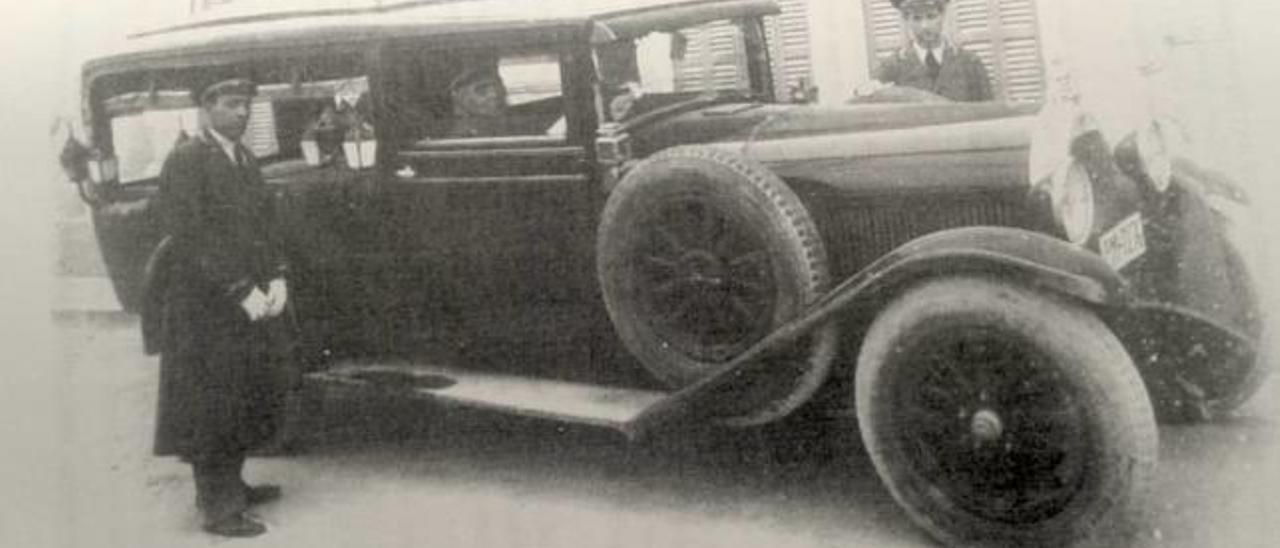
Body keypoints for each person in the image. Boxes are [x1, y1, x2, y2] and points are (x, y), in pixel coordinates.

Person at [147, 77, 292, 537]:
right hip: (203, 308)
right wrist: (239, 289)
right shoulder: (187, 158)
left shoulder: (243, 156)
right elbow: (190, 238)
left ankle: (233, 486)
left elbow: (263, 226)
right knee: (212, 405)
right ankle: (218, 509)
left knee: (241, 393)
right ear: (207, 108)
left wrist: (276, 275)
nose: (243, 113)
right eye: (232, 105)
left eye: (247, 105)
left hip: (241, 299)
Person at [867, 0, 994, 102]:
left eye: (931, 17)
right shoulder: (891, 68)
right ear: (906, 20)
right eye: (917, 18)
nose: (925, 26)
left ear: (942, 15)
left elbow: (988, 115)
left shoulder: (970, 63)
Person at [446, 63, 510, 137]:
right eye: (482, 90)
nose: (494, 95)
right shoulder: (459, 136)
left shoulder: (513, 125)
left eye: (498, 89)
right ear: (458, 94)